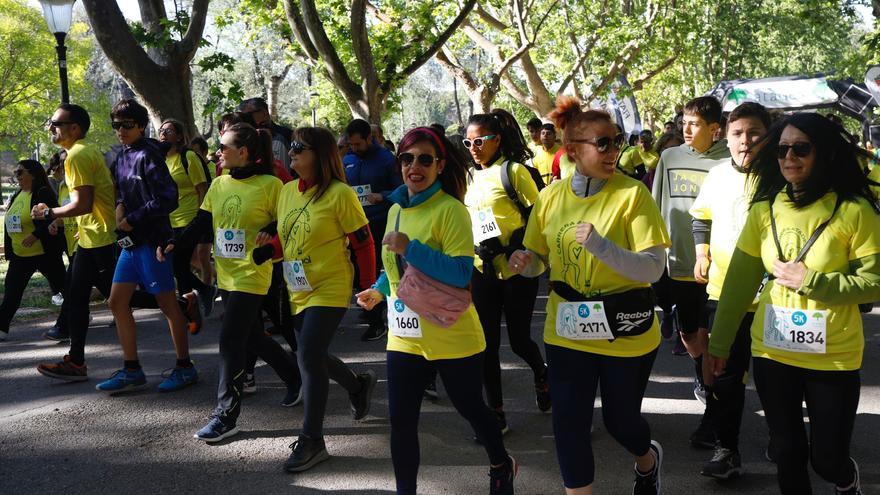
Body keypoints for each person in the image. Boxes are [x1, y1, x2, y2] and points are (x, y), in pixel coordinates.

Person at [707, 112, 880, 495]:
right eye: (783, 149)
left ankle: (845, 479)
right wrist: (718, 346)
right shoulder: (764, 209)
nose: (789, 157)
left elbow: (874, 284)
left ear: (825, 153)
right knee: (786, 451)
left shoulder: (855, 211)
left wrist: (813, 282)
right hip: (772, 351)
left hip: (833, 355)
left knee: (827, 458)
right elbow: (739, 282)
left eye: (801, 148)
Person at [508, 97, 669, 495]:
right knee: (568, 422)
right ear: (574, 150)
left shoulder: (632, 194)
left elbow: (653, 268)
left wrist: (603, 248)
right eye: (603, 144)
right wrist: (523, 262)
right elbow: (539, 262)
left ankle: (647, 460)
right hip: (567, 327)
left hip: (625, 326)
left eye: (615, 142)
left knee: (622, 423)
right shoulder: (550, 198)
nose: (613, 151)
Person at [356, 127, 517, 495]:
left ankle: (500, 462)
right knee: (401, 423)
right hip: (405, 335)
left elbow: (462, 274)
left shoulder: (451, 211)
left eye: (425, 159)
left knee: (472, 409)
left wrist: (411, 247)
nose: (415, 166)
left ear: (440, 165)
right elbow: (397, 270)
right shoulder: (395, 209)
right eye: (408, 158)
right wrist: (379, 291)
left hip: (451, 332)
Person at [166, 122, 301, 442]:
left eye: (223, 147)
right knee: (252, 336)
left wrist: (272, 228)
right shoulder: (219, 184)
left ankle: (226, 414)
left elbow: (288, 222)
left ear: (243, 152)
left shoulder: (272, 184)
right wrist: (175, 244)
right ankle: (296, 378)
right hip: (226, 273)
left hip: (254, 273)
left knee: (230, 340)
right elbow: (202, 223)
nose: (217, 152)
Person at [270, 126, 378, 472]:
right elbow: (286, 235)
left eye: (299, 147)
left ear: (320, 153)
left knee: (309, 354)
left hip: (331, 286)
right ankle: (357, 385)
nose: (292, 152)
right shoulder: (287, 191)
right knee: (311, 354)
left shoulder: (339, 194)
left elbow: (363, 242)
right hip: (297, 287)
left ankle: (313, 439)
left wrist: (368, 287)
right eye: (292, 147)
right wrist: (267, 251)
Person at [689, 102, 771, 479]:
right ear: (726, 135)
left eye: (754, 133)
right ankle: (727, 449)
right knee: (724, 375)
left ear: (768, 135)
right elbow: (700, 217)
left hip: (776, 299)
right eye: (738, 133)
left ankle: (783, 438)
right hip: (724, 291)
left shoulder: (781, 175)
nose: (746, 141)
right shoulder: (718, 174)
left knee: (776, 380)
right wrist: (701, 252)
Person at [94, 99, 198, 394]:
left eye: (127, 125)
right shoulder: (122, 156)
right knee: (116, 302)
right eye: (116, 125)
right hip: (131, 243)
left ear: (141, 125)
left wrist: (132, 218)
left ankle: (184, 366)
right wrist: (119, 208)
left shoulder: (149, 155)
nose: (120, 131)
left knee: (167, 304)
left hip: (154, 242)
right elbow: (123, 193)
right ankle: (131, 369)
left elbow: (169, 198)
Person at [651, 96, 729, 449]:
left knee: (716, 341)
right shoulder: (669, 158)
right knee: (688, 336)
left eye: (694, 123)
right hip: (679, 264)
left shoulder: (731, 161)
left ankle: (715, 411)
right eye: (683, 121)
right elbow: (657, 208)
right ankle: (705, 379)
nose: (685, 128)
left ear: (715, 129)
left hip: (721, 268)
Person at [464, 109, 549, 433]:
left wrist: (516, 246)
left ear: (496, 140)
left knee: (518, 341)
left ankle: (542, 373)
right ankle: (495, 412)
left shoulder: (513, 172)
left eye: (480, 140)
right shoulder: (469, 178)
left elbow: (539, 218)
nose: (473, 147)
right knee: (486, 343)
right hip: (481, 269)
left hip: (516, 271)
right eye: (468, 141)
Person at [33, 104, 119, 381]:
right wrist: (65, 220)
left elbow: (83, 204)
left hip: (102, 238)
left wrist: (49, 213)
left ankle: (180, 304)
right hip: (91, 237)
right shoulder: (79, 153)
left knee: (118, 297)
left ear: (75, 128)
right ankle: (77, 362)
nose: (51, 128)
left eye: (56, 123)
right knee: (76, 298)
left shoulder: (78, 155)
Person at [344, 118, 402, 341]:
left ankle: (378, 322)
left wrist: (383, 195)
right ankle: (370, 308)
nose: (354, 148)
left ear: (370, 138)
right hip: (355, 224)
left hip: (380, 222)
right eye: (351, 145)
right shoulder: (348, 159)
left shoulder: (387, 159)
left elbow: (401, 188)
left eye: (358, 144)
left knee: (376, 271)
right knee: (360, 273)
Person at [0, 160, 67, 341]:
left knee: (64, 288)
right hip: (21, 256)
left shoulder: (42, 192)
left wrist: (36, 235)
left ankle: (75, 315)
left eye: (20, 172)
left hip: (44, 253)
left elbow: (53, 216)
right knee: (12, 292)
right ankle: (2, 328)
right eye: (16, 172)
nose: (17, 175)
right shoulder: (17, 194)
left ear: (33, 174)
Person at [159, 118, 215, 319]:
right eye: (161, 130)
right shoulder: (161, 159)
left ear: (180, 136)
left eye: (169, 130)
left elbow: (202, 189)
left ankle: (195, 299)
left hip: (190, 219)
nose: (164, 133)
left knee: (177, 264)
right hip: (170, 221)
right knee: (180, 265)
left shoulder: (188, 156)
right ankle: (191, 304)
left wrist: (201, 218)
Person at [43, 151, 78, 342]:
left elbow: (91, 207)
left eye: (68, 162)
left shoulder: (80, 184)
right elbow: (68, 212)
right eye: (63, 162)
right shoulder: (64, 186)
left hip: (89, 242)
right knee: (108, 287)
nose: (65, 166)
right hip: (72, 243)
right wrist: (56, 222)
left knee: (71, 286)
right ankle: (174, 303)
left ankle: (63, 327)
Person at [238, 97, 294, 172]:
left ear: (264, 112)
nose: (243, 119)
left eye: (247, 115)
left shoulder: (286, 135)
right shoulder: (245, 139)